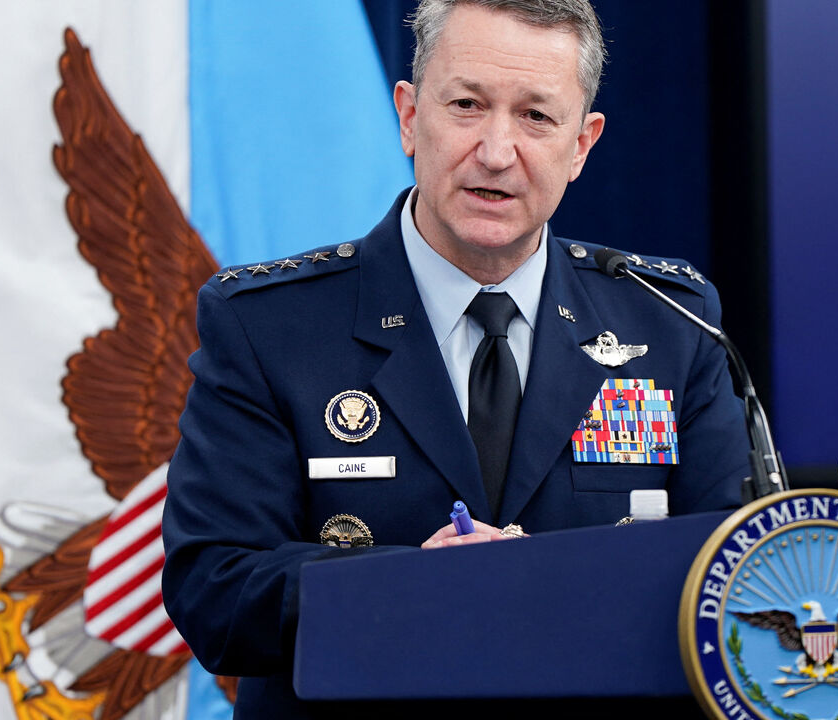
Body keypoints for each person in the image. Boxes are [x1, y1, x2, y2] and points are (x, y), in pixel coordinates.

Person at [162, 0, 749, 716]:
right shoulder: (268, 326)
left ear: (582, 145)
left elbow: (737, 579)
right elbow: (214, 589)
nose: (498, 151)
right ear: (410, 117)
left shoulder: (672, 322)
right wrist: (415, 588)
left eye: (537, 116)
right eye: (468, 104)